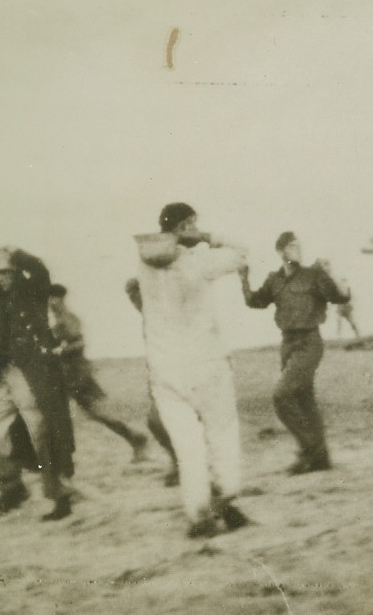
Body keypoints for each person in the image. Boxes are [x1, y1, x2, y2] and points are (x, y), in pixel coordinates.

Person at [128, 203, 251, 538]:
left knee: (187, 446)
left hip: (165, 368)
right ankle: (226, 497)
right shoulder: (200, 261)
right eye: (193, 224)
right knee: (222, 433)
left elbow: (134, 288)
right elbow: (243, 250)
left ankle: (199, 516)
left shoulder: (143, 264)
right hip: (207, 361)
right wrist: (206, 237)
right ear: (187, 226)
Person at [0, 247, 76, 520]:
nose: (0, 280)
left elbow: (40, 269)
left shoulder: (34, 291)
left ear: (17, 274)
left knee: (43, 432)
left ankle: (60, 497)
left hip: (34, 375)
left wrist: (16, 253)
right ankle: (11, 488)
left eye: (6, 273)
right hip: (2, 374)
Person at [241, 231, 350, 475]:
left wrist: (332, 273)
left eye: (299, 246)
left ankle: (308, 451)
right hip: (287, 343)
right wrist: (243, 278)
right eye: (291, 247)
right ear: (280, 252)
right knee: (304, 400)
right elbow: (254, 302)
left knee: (281, 396)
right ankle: (321, 458)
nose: (297, 250)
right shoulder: (274, 279)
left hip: (310, 341)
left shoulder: (314, 274)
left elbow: (340, 297)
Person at [47, 284, 152, 460]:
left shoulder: (67, 318)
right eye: (48, 299)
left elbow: (79, 343)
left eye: (52, 298)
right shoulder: (59, 320)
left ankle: (135, 437)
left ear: (60, 298)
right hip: (65, 375)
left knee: (98, 413)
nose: (50, 303)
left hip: (77, 375)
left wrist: (59, 351)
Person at [124, 278, 181, 486]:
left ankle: (184, 465)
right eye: (131, 297)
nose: (134, 301)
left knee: (162, 421)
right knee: (155, 422)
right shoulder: (148, 320)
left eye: (137, 295)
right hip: (159, 375)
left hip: (179, 374)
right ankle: (178, 462)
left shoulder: (166, 313)